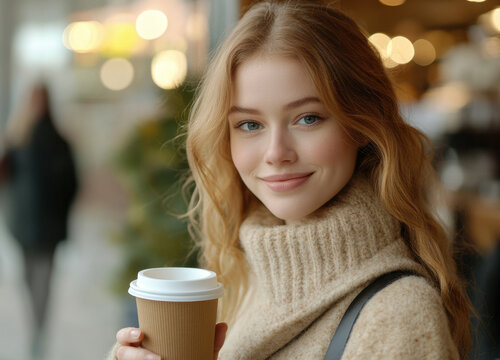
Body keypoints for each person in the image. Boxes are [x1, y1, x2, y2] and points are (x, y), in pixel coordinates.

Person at [111, 1, 471, 359]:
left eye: (308, 118)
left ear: (362, 124)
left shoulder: (398, 317)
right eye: (250, 124)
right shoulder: (245, 280)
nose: (276, 152)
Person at [1, 83, 78, 358]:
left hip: (47, 229)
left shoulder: (59, 141)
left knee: (42, 284)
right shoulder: (16, 139)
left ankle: (38, 334)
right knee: (27, 279)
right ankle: (36, 328)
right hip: (21, 227)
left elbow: (71, 184)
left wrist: (58, 212)